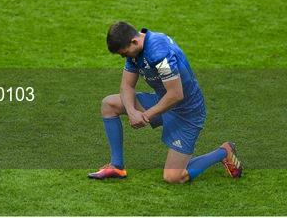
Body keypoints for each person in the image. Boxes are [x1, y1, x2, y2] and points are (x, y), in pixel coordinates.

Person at [88, 22, 243, 182]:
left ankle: (224, 151)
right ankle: (116, 166)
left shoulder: (159, 53)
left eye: (125, 53)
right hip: (162, 103)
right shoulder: (135, 51)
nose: (125, 57)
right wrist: (132, 112)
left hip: (187, 113)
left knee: (173, 177)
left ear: (134, 41)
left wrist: (145, 115)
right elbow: (126, 85)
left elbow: (176, 94)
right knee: (109, 104)